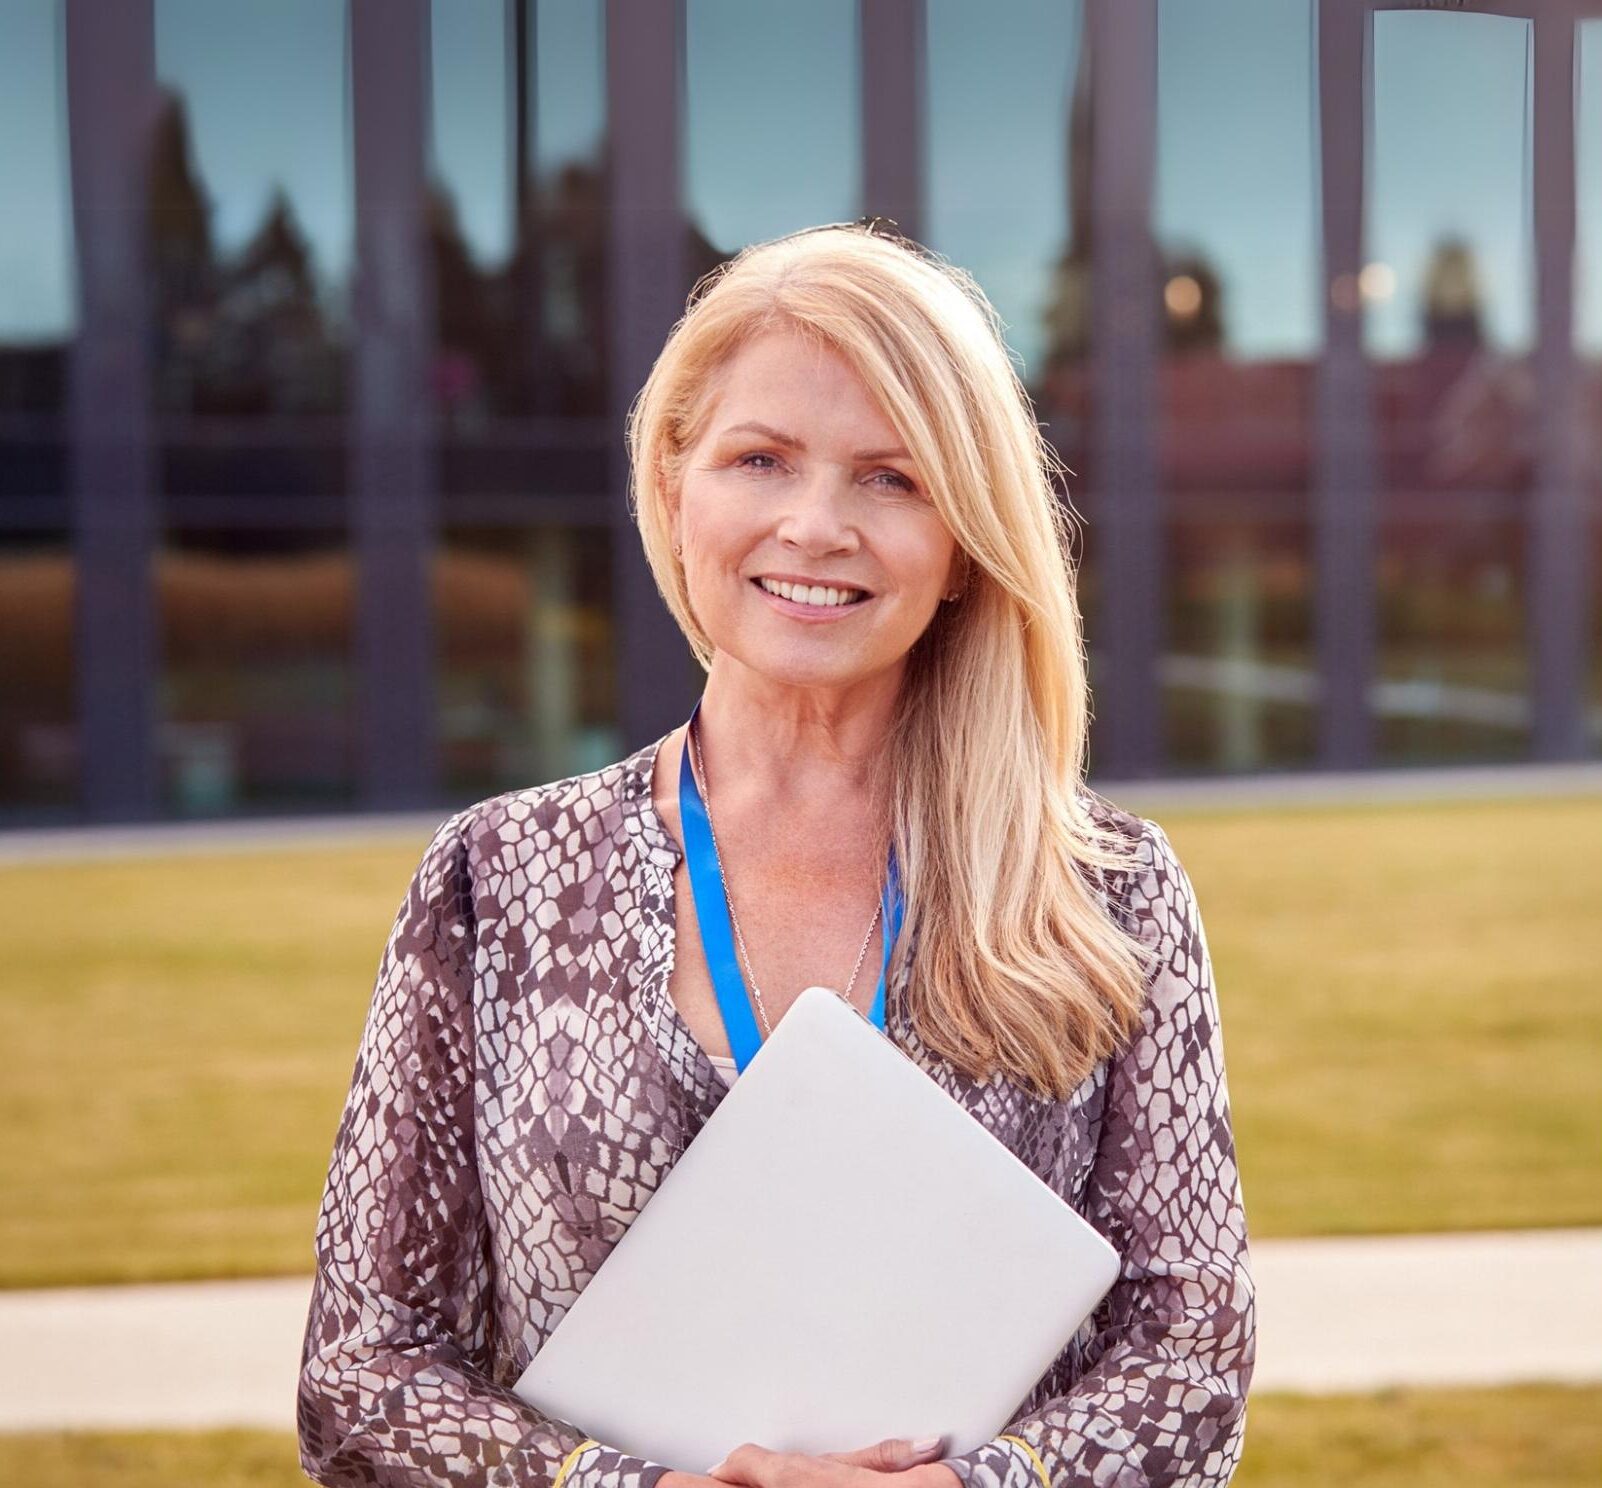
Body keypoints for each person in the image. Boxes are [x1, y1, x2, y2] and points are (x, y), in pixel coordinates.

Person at [297, 220, 1255, 1488]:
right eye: (761, 460)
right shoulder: (497, 881)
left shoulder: (1105, 892)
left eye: (891, 478)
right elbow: (362, 1371)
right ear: (676, 487)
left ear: (967, 546)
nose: (815, 526)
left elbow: (1192, 1355)